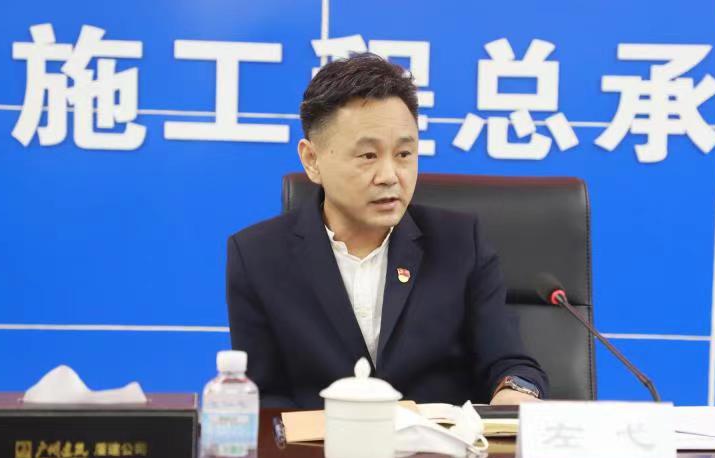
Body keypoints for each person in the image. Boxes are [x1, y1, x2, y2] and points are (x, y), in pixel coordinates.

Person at [226, 53, 548, 408]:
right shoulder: (258, 256)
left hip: (441, 443)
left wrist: (515, 391)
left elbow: (510, 363)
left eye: (404, 154)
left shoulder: (460, 243)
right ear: (312, 160)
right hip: (321, 442)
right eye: (368, 156)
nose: (390, 176)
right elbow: (263, 398)